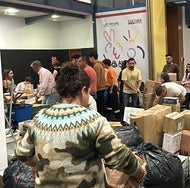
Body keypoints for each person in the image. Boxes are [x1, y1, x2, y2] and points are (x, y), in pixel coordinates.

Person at [15, 62, 147, 187]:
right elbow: (119, 157)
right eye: (89, 92)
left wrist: (38, 165)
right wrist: (141, 174)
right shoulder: (93, 120)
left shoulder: (40, 117)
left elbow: (22, 152)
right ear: (84, 91)